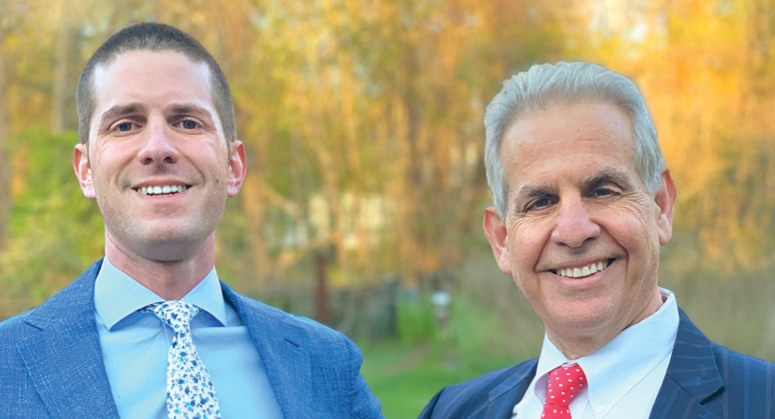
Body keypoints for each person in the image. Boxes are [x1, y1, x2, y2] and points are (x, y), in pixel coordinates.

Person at [0, 22, 382, 419]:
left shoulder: (327, 365)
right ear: (85, 170)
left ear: (233, 166)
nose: (157, 148)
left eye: (187, 122)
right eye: (125, 125)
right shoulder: (6, 367)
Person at [419, 62, 774, 418]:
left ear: (661, 208)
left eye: (602, 191)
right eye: (541, 202)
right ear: (501, 240)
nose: (573, 232)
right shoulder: (451, 411)